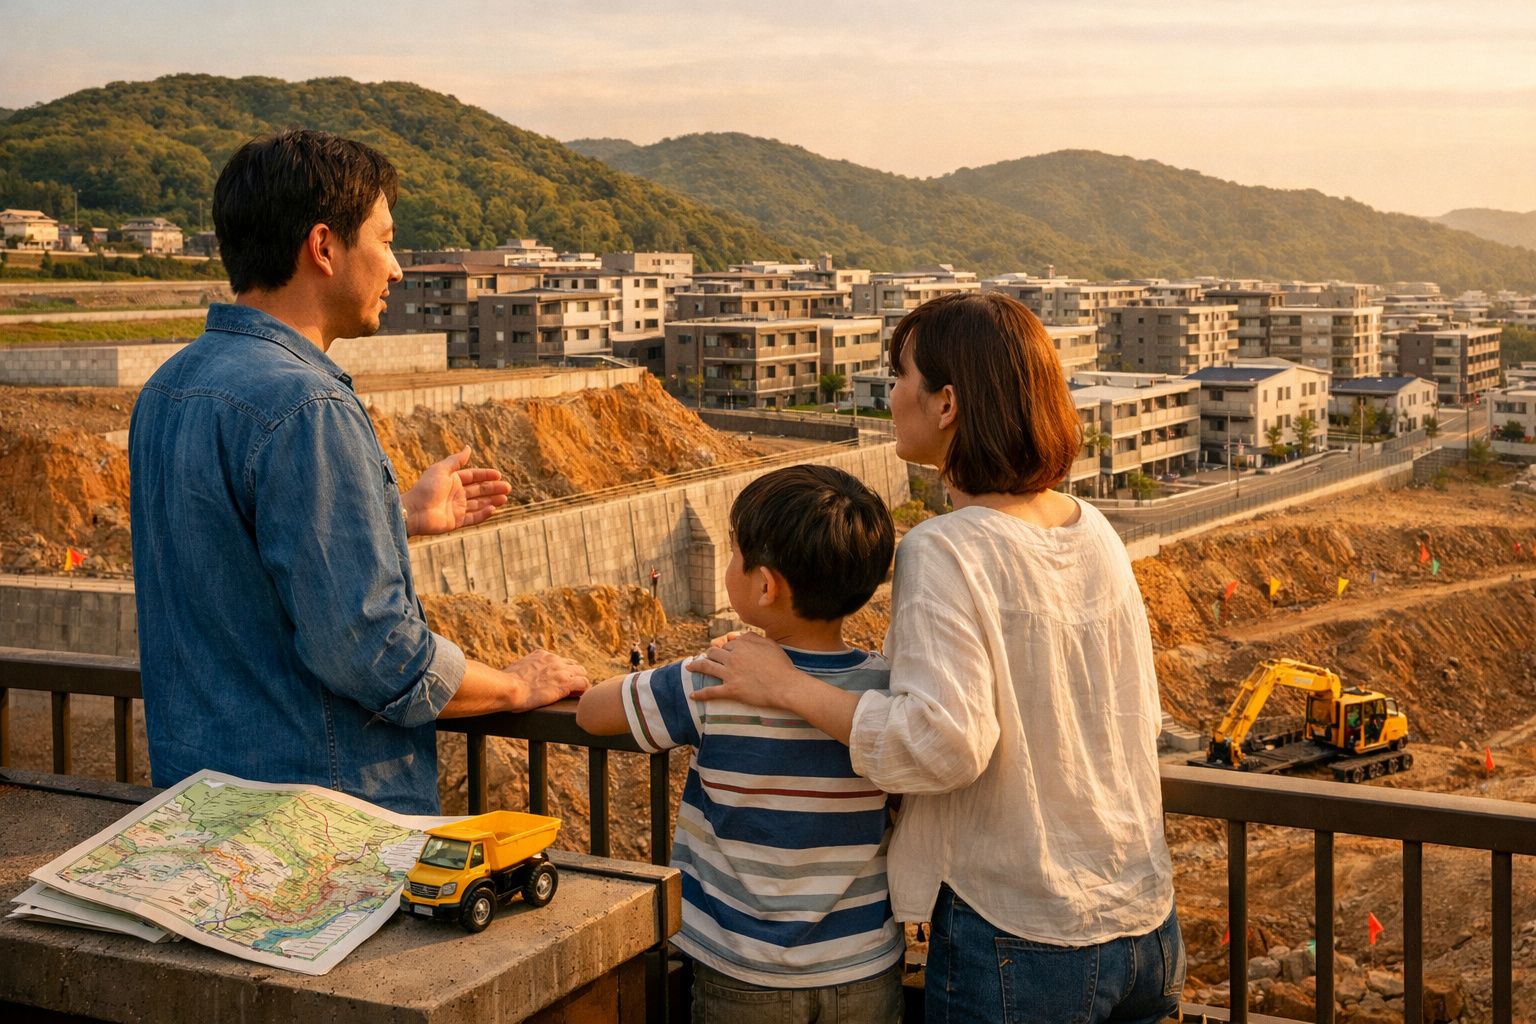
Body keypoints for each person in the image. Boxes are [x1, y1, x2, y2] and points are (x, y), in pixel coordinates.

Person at [690, 292, 1183, 1023]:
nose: (891, 397)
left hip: (1022, 932)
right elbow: (1137, 716)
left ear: (946, 402)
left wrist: (789, 687)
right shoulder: (1095, 531)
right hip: (1144, 919)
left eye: (900, 376)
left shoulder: (946, 547)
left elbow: (942, 744)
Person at [129, 129, 589, 815]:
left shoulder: (168, 388)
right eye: (386, 240)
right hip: (320, 820)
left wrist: (395, 517)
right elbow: (372, 650)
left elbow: (237, 558)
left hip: (199, 808)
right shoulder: (306, 405)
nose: (398, 268)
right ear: (324, 247)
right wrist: (514, 687)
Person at [576, 465, 902, 1022]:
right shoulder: (884, 692)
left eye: (734, 554)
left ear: (766, 584)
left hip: (744, 971)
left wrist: (694, 662)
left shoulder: (714, 681)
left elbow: (591, 712)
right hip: (864, 965)